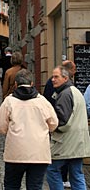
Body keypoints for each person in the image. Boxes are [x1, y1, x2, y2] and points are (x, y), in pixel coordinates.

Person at [0, 69, 58, 190]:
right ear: (32, 83)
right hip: (39, 153)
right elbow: (54, 124)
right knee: (35, 186)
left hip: (15, 153)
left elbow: (0, 127)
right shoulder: (42, 101)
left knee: (12, 186)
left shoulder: (9, 101)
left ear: (16, 84)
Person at [46, 65, 90, 190]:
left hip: (66, 143)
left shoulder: (65, 94)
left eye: (56, 77)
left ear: (65, 78)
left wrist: (50, 126)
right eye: (52, 76)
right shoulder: (74, 91)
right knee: (77, 174)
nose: (52, 80)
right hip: (78, 142)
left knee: (52, 170)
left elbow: (62, 122)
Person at [43, 60, 76, 188]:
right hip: (63, 131)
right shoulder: (67, 90)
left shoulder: (67, 90)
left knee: (59, 166)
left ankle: (63, 179)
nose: (53, 79)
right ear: (68, 72)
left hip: (63, 131)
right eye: (74, 69)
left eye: (56, 76)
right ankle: (63, 178)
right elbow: (62, 118)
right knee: (71, 168)